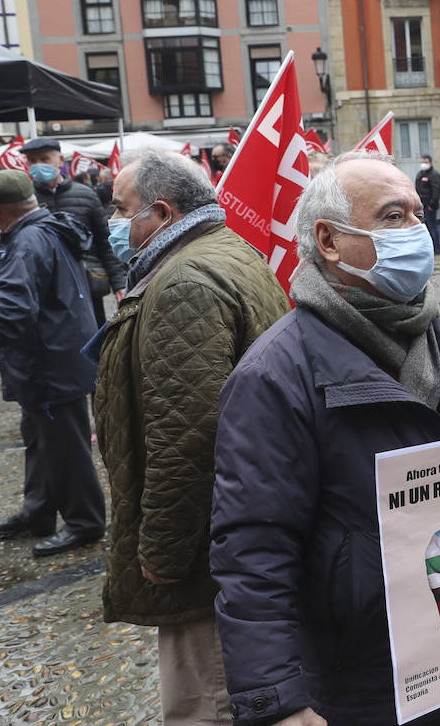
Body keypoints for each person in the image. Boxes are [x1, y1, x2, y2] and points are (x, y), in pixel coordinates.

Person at [211, 153, 440, 726]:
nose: (417, 232)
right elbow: (252, 548)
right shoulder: (274, 373)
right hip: (366, 679)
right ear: (327, 239)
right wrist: (278, 698)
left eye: (419, 214)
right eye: (394, 217)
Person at [94, 152, 289, 726]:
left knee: (206, 699)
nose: (112, 221)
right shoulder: (222, 251)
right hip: (236, 534)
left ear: (160, 211)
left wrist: (164, 554)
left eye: (120, 209)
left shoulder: (184, 280)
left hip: (206, 558)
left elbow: (188, 439)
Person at [0, 169, 105, 556]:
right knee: (41, 441)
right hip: (53, 354)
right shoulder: (46, 226)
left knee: (64, 446)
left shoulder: (28, 240)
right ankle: (38, 511)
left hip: (48, 360)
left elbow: (11, 308)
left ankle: (84, 522)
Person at [23, 137, 128, 325]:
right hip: (44, 285)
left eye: (44, 159)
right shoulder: (25, 198)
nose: (37, 165)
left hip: (86, 282)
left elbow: (105, 242)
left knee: (92, 334)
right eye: (32, 160)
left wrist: (119, 282)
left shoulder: (86, 195)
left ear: (60, 161)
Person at [414, 153, 440, 255]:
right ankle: (428, 247)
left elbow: (436, 191)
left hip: (430, 206)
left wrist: (432, 204)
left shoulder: (434, 174)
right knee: (425, 228)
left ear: (430, 163)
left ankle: (437, 248)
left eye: (425, 162)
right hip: (422, 205)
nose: (423, 164)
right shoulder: (420, 173)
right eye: (422, 162)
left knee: (433, 227)